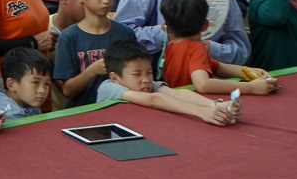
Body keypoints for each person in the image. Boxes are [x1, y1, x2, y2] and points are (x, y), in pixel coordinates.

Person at [93, 41, 237, 126]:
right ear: (115, 78)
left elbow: (178, 93)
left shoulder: (147, 86)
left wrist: (215, 105)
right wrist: (201, 112)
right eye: (137, 74)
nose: (146, 79)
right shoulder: (109, 87)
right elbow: (154, 99)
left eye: (149, 72)